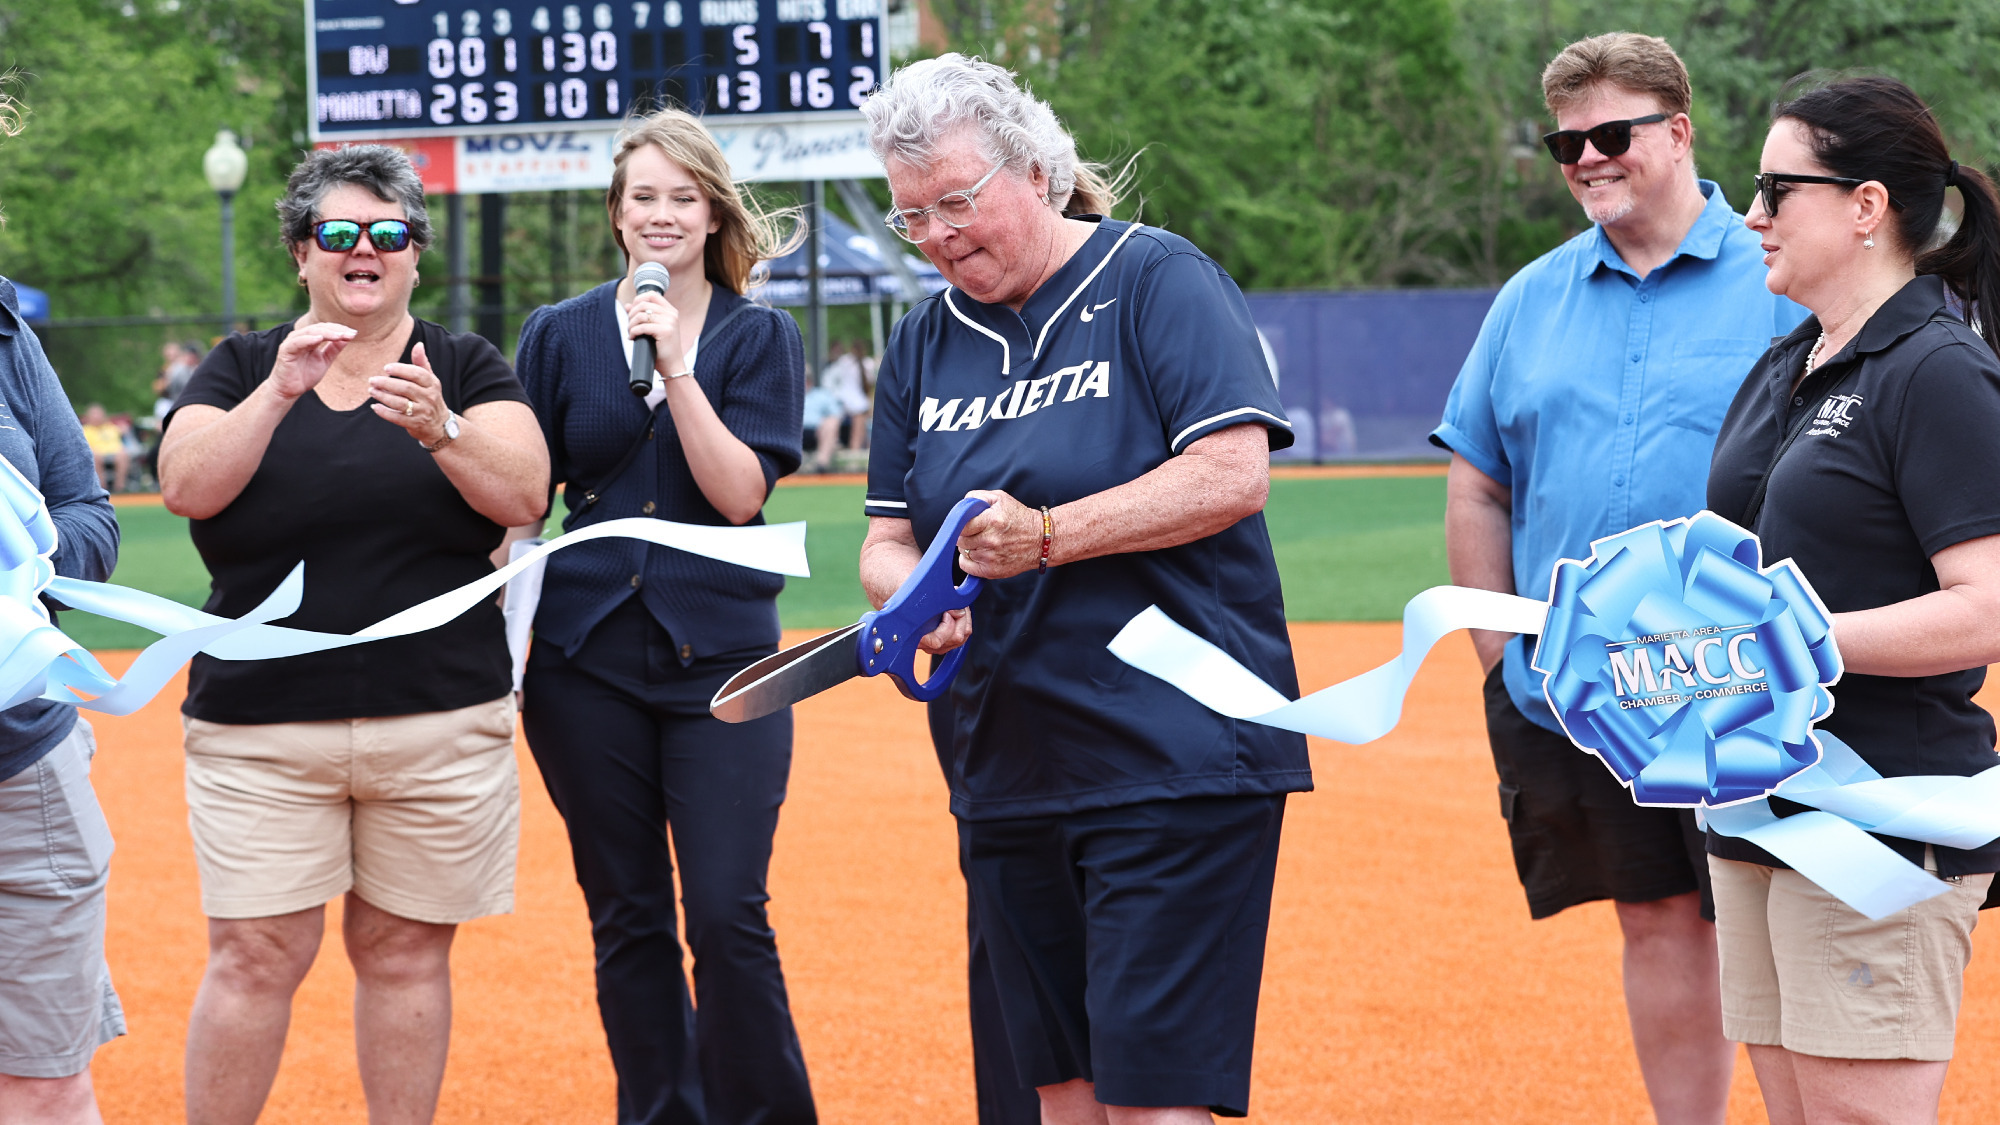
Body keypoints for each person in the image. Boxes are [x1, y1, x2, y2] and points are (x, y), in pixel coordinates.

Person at [860, 54, 1307, 1123]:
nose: (938, 235)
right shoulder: (922, 342)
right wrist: (915, 602)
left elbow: (1229, 473)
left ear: (1036, 174)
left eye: (957, 201)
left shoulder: (1154, 278)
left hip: (1176, 754)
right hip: (1007, 759)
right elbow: (887, 541)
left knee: (1151, 1102)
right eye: (910, 215)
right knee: (1059, 1095)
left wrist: (1049, 536)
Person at [1430, 33, 1806, 1125]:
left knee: (1773, 911)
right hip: (1582, 687)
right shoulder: (1530, 297)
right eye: (1565, 142)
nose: (1586, 157)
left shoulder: (1778, 270)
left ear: (1678, 132)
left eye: (1611, 134)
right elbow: (1476, 486)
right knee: (1649, 915)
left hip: (1746, 672)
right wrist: (1502, 655)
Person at [156, 145, 549, 1125]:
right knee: (254, 955)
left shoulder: (461, 366)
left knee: (404, 952)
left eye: (388, 234)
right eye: (337, 233)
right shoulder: (244, 364)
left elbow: (524, 497)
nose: (362, 249)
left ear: (416, 255)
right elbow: (185, 486)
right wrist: (281, 391)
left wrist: (441, 431)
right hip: (261, 732)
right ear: (301, 254)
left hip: (437, 724)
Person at [510, 108, 814, 1125]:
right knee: (628, 914)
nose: (661, 215)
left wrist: (675, 365)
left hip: (721, 666)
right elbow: (521, 496)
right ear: (616, 210)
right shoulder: (557, 335)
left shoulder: (759, 335)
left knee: (728, 913)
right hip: (581, 662)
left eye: (683, 197)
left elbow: (738, 494)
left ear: (712, 210)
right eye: (644, 196)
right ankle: (660, 1113)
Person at [1706, 75, 2000, 1124]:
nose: (1749, 215)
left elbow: (1984, 609)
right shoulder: (1786, 360)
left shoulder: (1936, 372)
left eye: (1773, 189)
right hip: (1752, 804)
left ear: (1863, 206)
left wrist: (1791, 642)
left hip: (1877, 809)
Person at [0, 89, 124, 1125]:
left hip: (20, 766)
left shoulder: (6, 329)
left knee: (45, 1080)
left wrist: (31, 558)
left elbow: (89, 507)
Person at [78, 404, 127, 494]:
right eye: (94, 415)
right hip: (97, 453)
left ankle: (120, 486)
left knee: (123, 454)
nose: (97, 417)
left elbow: (118, 442)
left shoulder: (111, 428)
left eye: (98, 414)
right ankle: (101, 486)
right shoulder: (85, 430)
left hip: (113, 452)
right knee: (94, 455)